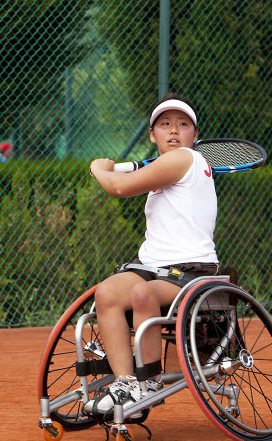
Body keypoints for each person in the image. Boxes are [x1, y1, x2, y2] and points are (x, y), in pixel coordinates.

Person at [85, 93, 219, 416]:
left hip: (192, 272)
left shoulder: (185, 159)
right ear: (152, 135)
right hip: (152, 267)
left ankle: (149, 384)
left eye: (183, 124)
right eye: (165, 124)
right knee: (105, 294)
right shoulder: (164, 169)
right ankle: (126, 384)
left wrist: (99, 169)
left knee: (142, 293)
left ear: (194, 136)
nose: (174, 130)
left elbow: (119, 187)